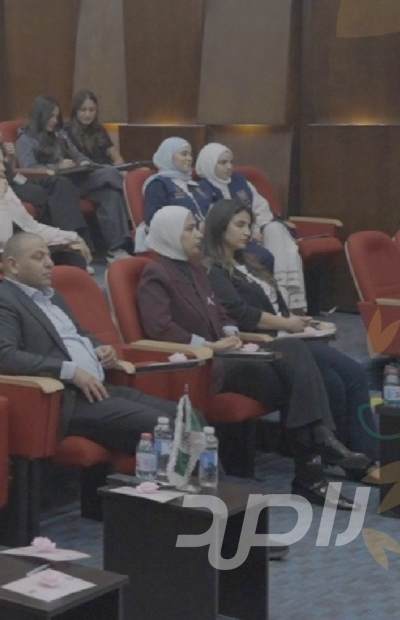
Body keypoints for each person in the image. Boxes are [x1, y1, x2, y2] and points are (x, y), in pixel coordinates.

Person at [138, 206, 370, 507]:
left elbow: (221, 312)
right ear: (170, 234)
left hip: (230, 354)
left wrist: (232, 332)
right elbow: (159, 327)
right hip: (202, 365)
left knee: (294, 358)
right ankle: (314, 467)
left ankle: (314, 467)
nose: (198, 235)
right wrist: (208, 345)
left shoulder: (194, 269)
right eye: (190, 229)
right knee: (299, 377)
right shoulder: (156, 273)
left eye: (197, 227)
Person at [202, 200, 374, 460]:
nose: (247, 232)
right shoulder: (213, 269)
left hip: (289, 335)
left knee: (333, 381)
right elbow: (240, 313)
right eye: (240, 225)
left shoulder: (250, 263)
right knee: (354, 373)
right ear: (220, 227)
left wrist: (302, 322)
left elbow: (278, 308)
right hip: (265, 343)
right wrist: (287, 325)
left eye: (249, 225)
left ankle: (350, 455)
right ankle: (368, 454)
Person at [0, 233, 178, 454]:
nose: (49, 263)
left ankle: (191, 475)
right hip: (67, 400)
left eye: (49, 256)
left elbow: (78, 334)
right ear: (13, 265)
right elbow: (5, 356)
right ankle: (175, 476)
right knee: (163, 425)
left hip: (101, 388)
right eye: (38, 257)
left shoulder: (51, 295)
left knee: (187, 416)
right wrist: (70, 371)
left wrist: (100, 348)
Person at [195, 142, 307, 311]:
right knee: (265, 256)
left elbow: (261, 209)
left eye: (231, 162)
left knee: (276, 230)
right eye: (223, 163)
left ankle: (288, 299)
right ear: (209, 164)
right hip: (226, 242)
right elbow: (211, 222)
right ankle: (269, 304)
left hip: (252, 234)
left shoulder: (240, 181)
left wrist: (255, 229)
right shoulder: (200, 189)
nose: (229, 167)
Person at [15, 95, 130, 259]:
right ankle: (134, 197)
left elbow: (77, 154)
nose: (54, 121)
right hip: (58, 185)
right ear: (40, 116)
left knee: (110, 195)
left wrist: (83, 162)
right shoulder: (25, 140)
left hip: (77, 177)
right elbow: (30, 169)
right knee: (110, 173)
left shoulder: (59, 134)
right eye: (51, 116)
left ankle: (116, 249)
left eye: (56, 116)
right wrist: (57, 166)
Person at [0, 93, 75, 231]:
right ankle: (41, 232)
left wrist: (11, 157)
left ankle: (69, 232)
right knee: (39, 193)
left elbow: (6, 169)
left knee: (59, 183)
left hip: (12, 179)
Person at [0, 141, 91, 268]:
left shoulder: (4, 188)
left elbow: (31, 227)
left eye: (2, 162)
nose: (3, 168)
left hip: (19, 249)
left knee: (73, 257)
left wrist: (72, 236)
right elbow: (1, 238)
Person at [66, 89, 122, 165]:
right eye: (83, 110)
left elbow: (117, 157)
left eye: (91, 110)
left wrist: (119, 166)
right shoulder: (67, 131)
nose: (87, 115)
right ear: (75, 111)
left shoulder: (100, 129)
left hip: (106, 167)